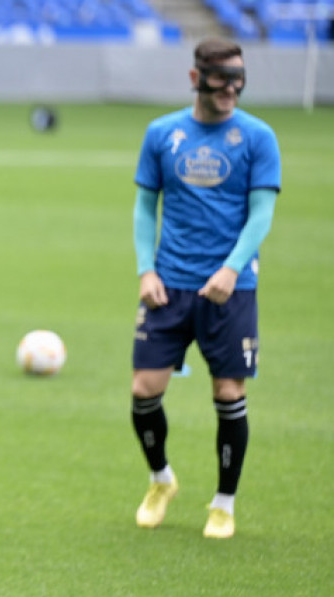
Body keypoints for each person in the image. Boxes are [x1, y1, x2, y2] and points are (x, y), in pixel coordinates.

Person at [130, 38, 281, 539]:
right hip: (168, 285)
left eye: (239, 78)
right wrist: (145, 269)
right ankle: (161, 479)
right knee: (143, 390)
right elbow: (144, 207)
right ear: (196, 79)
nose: (232, 89)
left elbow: (261, 214)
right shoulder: (163, 133)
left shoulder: (258, 138)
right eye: (221, 79)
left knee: (228, 392)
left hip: (230, 290)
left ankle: (223, 502)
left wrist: (234, 268)